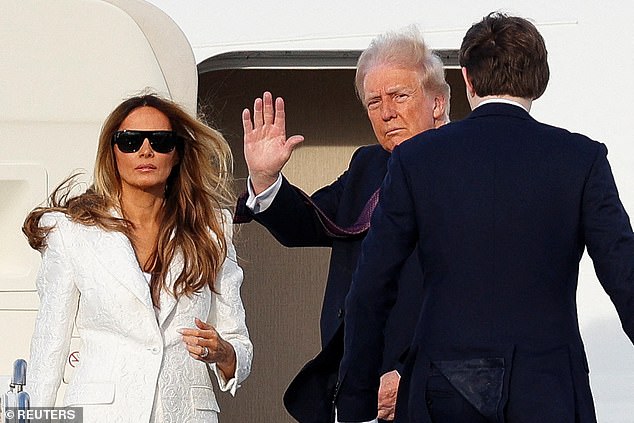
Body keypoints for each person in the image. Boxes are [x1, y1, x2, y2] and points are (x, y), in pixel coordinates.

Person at [336, 12, 634, 423]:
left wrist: (354, 403)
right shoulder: (582, 160)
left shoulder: (416, 160)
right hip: (548, 390)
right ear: (538, 81)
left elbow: (370, 289)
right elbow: (626, 277)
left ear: (468, 81)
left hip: (441, 388)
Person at [234, 28, 449, 422]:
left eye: (399, 96)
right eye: (374, 102)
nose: (386, 112)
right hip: (354, 389)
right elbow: (308, 224)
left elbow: (476, 295)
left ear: (437, 103)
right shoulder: (368, 166)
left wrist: (414, 373)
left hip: (433, 387)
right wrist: (265, 181)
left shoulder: (468, 171)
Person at [24, 93, 253, 423]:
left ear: (176, 154)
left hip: (186, 413)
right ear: (112, 151)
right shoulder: (71, 233)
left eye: (160, 141)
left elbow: (239, 348)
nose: (146, 151)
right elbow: (49, 346)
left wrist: (223, 353)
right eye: (130, 141)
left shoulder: (211, 230)